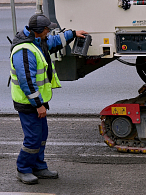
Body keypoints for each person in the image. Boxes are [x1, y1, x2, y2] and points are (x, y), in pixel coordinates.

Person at [10, 14, 88, 185]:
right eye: (47, 29)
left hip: (37, 101)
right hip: (28, 103)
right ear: (40, 31)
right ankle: (23, 169)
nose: (49, 32)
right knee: (32, 138)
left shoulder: (38, 41)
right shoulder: (24, 50)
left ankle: (38, 166)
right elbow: (27, 82)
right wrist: (38, 105)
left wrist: (74, 33)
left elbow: (54, 41)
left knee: (41, 135)